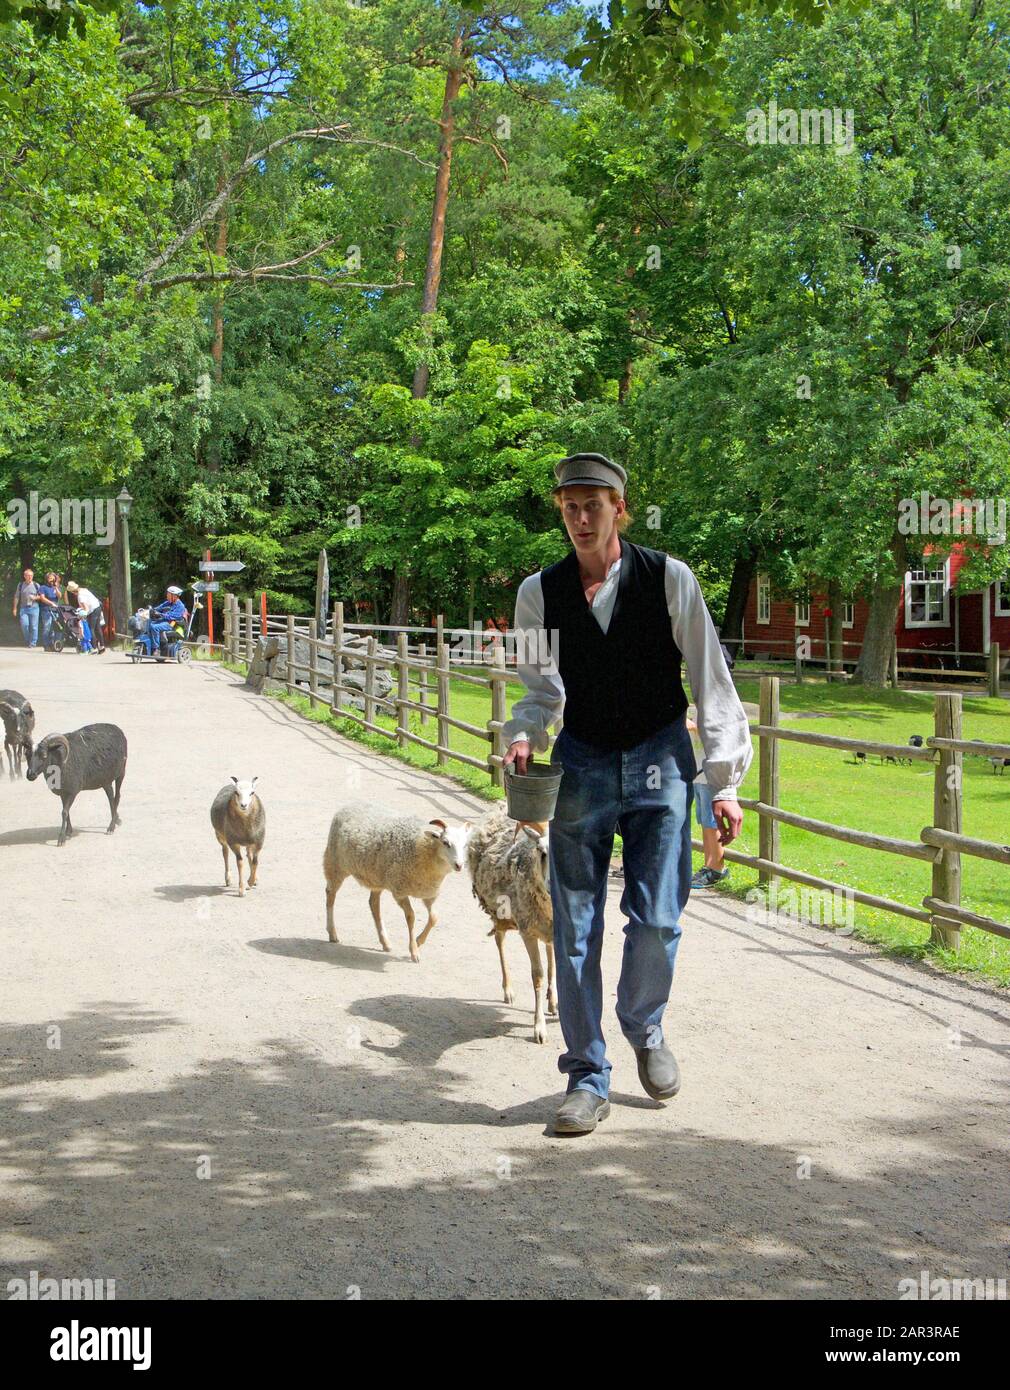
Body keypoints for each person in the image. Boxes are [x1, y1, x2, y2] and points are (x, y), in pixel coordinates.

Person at [502, 453, 753, 1136]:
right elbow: (540, 691)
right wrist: (524, 734)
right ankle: (586, 1072)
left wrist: (723, 783)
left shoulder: (669, 579)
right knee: (574, 925)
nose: (580, 518)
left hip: (662, 760)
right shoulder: (539, 592)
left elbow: (711, 681)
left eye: (593, 505)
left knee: (658, 919)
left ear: (620, 506)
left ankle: (644, 1029)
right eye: (569, 506)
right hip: (581, 762)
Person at [687, 715, 729, 888]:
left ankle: (717, 867)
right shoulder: (700, 706)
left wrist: (690, 725)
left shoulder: (716, 707)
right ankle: (708, 864)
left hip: (710, 772)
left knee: (712, 822)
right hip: (698, 770)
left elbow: (714, 732)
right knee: (704, 821)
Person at [147, 586, 188, 660]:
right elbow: (158, 608)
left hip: (172, 623)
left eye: (169, 594)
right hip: (164, 621)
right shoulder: (168, 603)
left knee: (154, 627)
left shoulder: (180, 606)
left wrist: (160, 614)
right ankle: (148, 646)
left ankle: (156, 649)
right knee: (150, 623)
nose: (167, 596)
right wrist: (152, 610)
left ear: (174, 596)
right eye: (167, 594)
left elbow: (172, 617)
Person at [65, 581, 105, 653]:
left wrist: (81, 616)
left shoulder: (80, 596)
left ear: (73, 591)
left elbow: (86, 608)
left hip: (92, 610)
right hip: (98, 607)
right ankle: (102, 646)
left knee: (90, 628)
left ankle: (94, 647)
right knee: (97, 627)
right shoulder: (84, 590)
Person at [12, 568, 40, 648]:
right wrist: (14, 608)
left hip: (34, 608)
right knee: (24, 625)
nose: (30, 577)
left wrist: (35, 598)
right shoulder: (20, 585)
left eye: (31, 575)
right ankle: (28, 640)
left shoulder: (36, 585)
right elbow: (17, 596)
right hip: (23, 608)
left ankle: (33, 643)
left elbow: (41, 596)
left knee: (34, 626)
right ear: (24, 576)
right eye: (28, 575)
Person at [36, 572, 61, 652]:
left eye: (53, 578)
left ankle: (53, 644)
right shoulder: (43, 587)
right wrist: (51, 603)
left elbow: (59, 596)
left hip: (55, 610)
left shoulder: (55, 587)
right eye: (50, 578)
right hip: (46, 610)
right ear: (47, 578)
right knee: (47, 627)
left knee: (54, 628)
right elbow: (42, 598)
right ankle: (46, 645)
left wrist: (56, 587)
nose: (52, 579)